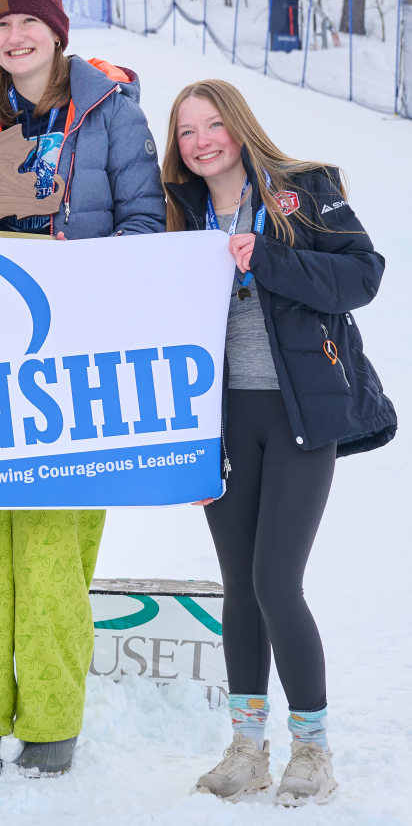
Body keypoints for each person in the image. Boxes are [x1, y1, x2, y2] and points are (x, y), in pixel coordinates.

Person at [0, 0, 167, 780]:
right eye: (0, 25)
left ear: (58, 31)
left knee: (52, 542)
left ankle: (52, 720)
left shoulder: (112, 114)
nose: (14, 36)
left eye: (28, 21)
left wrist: (78, 277)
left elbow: (145, 225)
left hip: (76, 361)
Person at [162, 79, 395, 805]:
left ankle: (313, 750)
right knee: (239, 587)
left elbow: (362, 277)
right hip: (223, 420)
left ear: (238, 126)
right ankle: (246, 749)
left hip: (299, 414)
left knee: (275, 583)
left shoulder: (302, 189)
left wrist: (265, 256)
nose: (201, 142)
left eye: (212, 125)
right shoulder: (177, 213)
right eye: (186, 132)